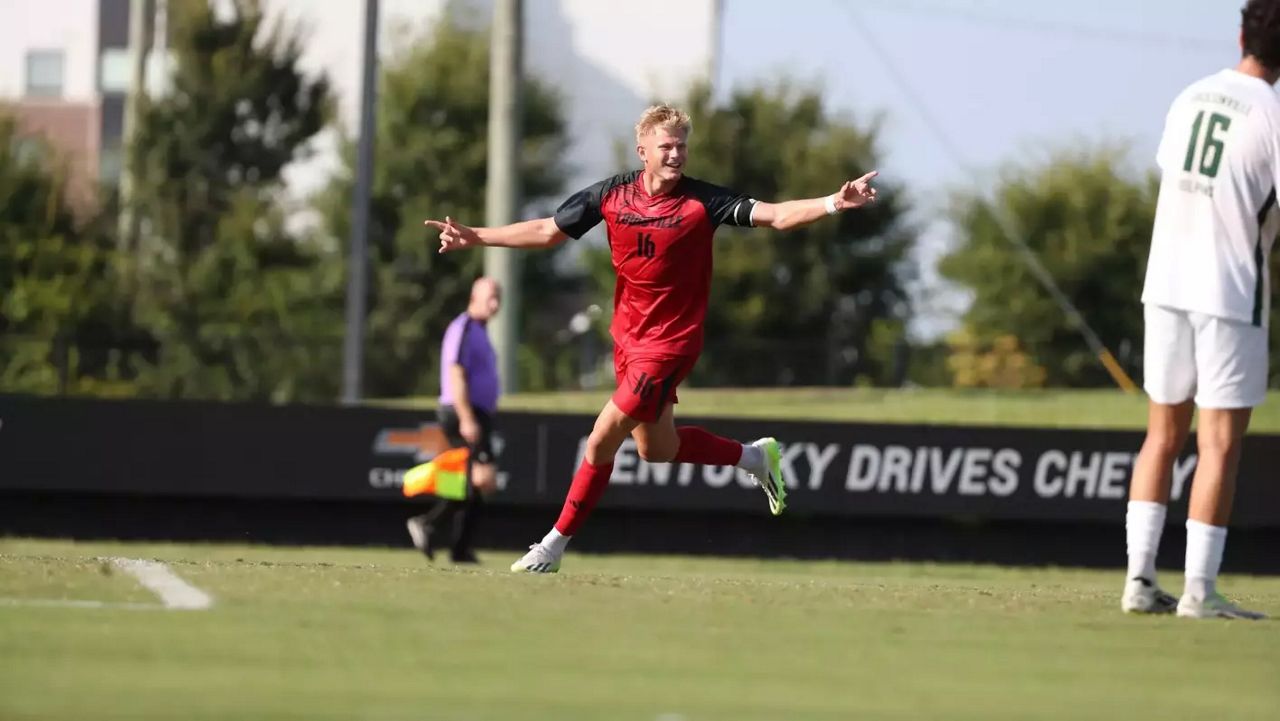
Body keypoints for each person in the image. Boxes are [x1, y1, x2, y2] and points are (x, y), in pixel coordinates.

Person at [425, 104, 879, 573]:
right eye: (666, 146)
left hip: (670, 346)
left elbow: (777, 215)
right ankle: (754, 457)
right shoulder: (611, 195)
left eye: (682, 145)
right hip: (628, 341)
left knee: (600, 440)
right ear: (643, 150)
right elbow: (547, 231)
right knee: (656, 449)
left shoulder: (703, 201)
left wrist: (832, 202)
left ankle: (552, 545)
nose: (676, 154)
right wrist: (475, 235)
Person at [1122, 0, 1279, 620]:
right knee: (1217, 444)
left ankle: (1138, 581)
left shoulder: (1190, 96)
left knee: (1161, 436)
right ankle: (1198, 590)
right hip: (1230, 291)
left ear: (1242, 33)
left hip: (1164, 282)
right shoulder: (1273, 114)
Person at [406, 277, 503, 564]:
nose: (495, 304)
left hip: (476, 413)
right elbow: (456, 373)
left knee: (469, 484)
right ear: (475, 297)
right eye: (490, 297)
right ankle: (428, 524)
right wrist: (466, 418)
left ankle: (459, 549)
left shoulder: (481, 331)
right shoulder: (463, 328)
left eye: (498, 298)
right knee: (481, 478)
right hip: (463, 412)